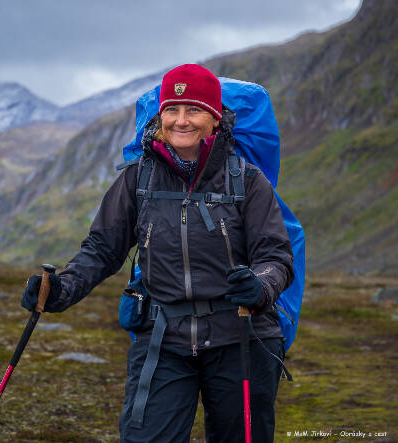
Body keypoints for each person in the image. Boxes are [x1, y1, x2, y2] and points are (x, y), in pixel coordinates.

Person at [21, 64, 294, 442]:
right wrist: (61, 288)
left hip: (241, 336)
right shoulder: (138, 179)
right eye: (172, 110)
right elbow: (102, 249)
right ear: (160, 116)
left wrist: (260, 286)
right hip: (164, 340)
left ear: (215, 119)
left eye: (194, 109)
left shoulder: (247, 180)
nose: (181, 120)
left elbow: (276, 257)